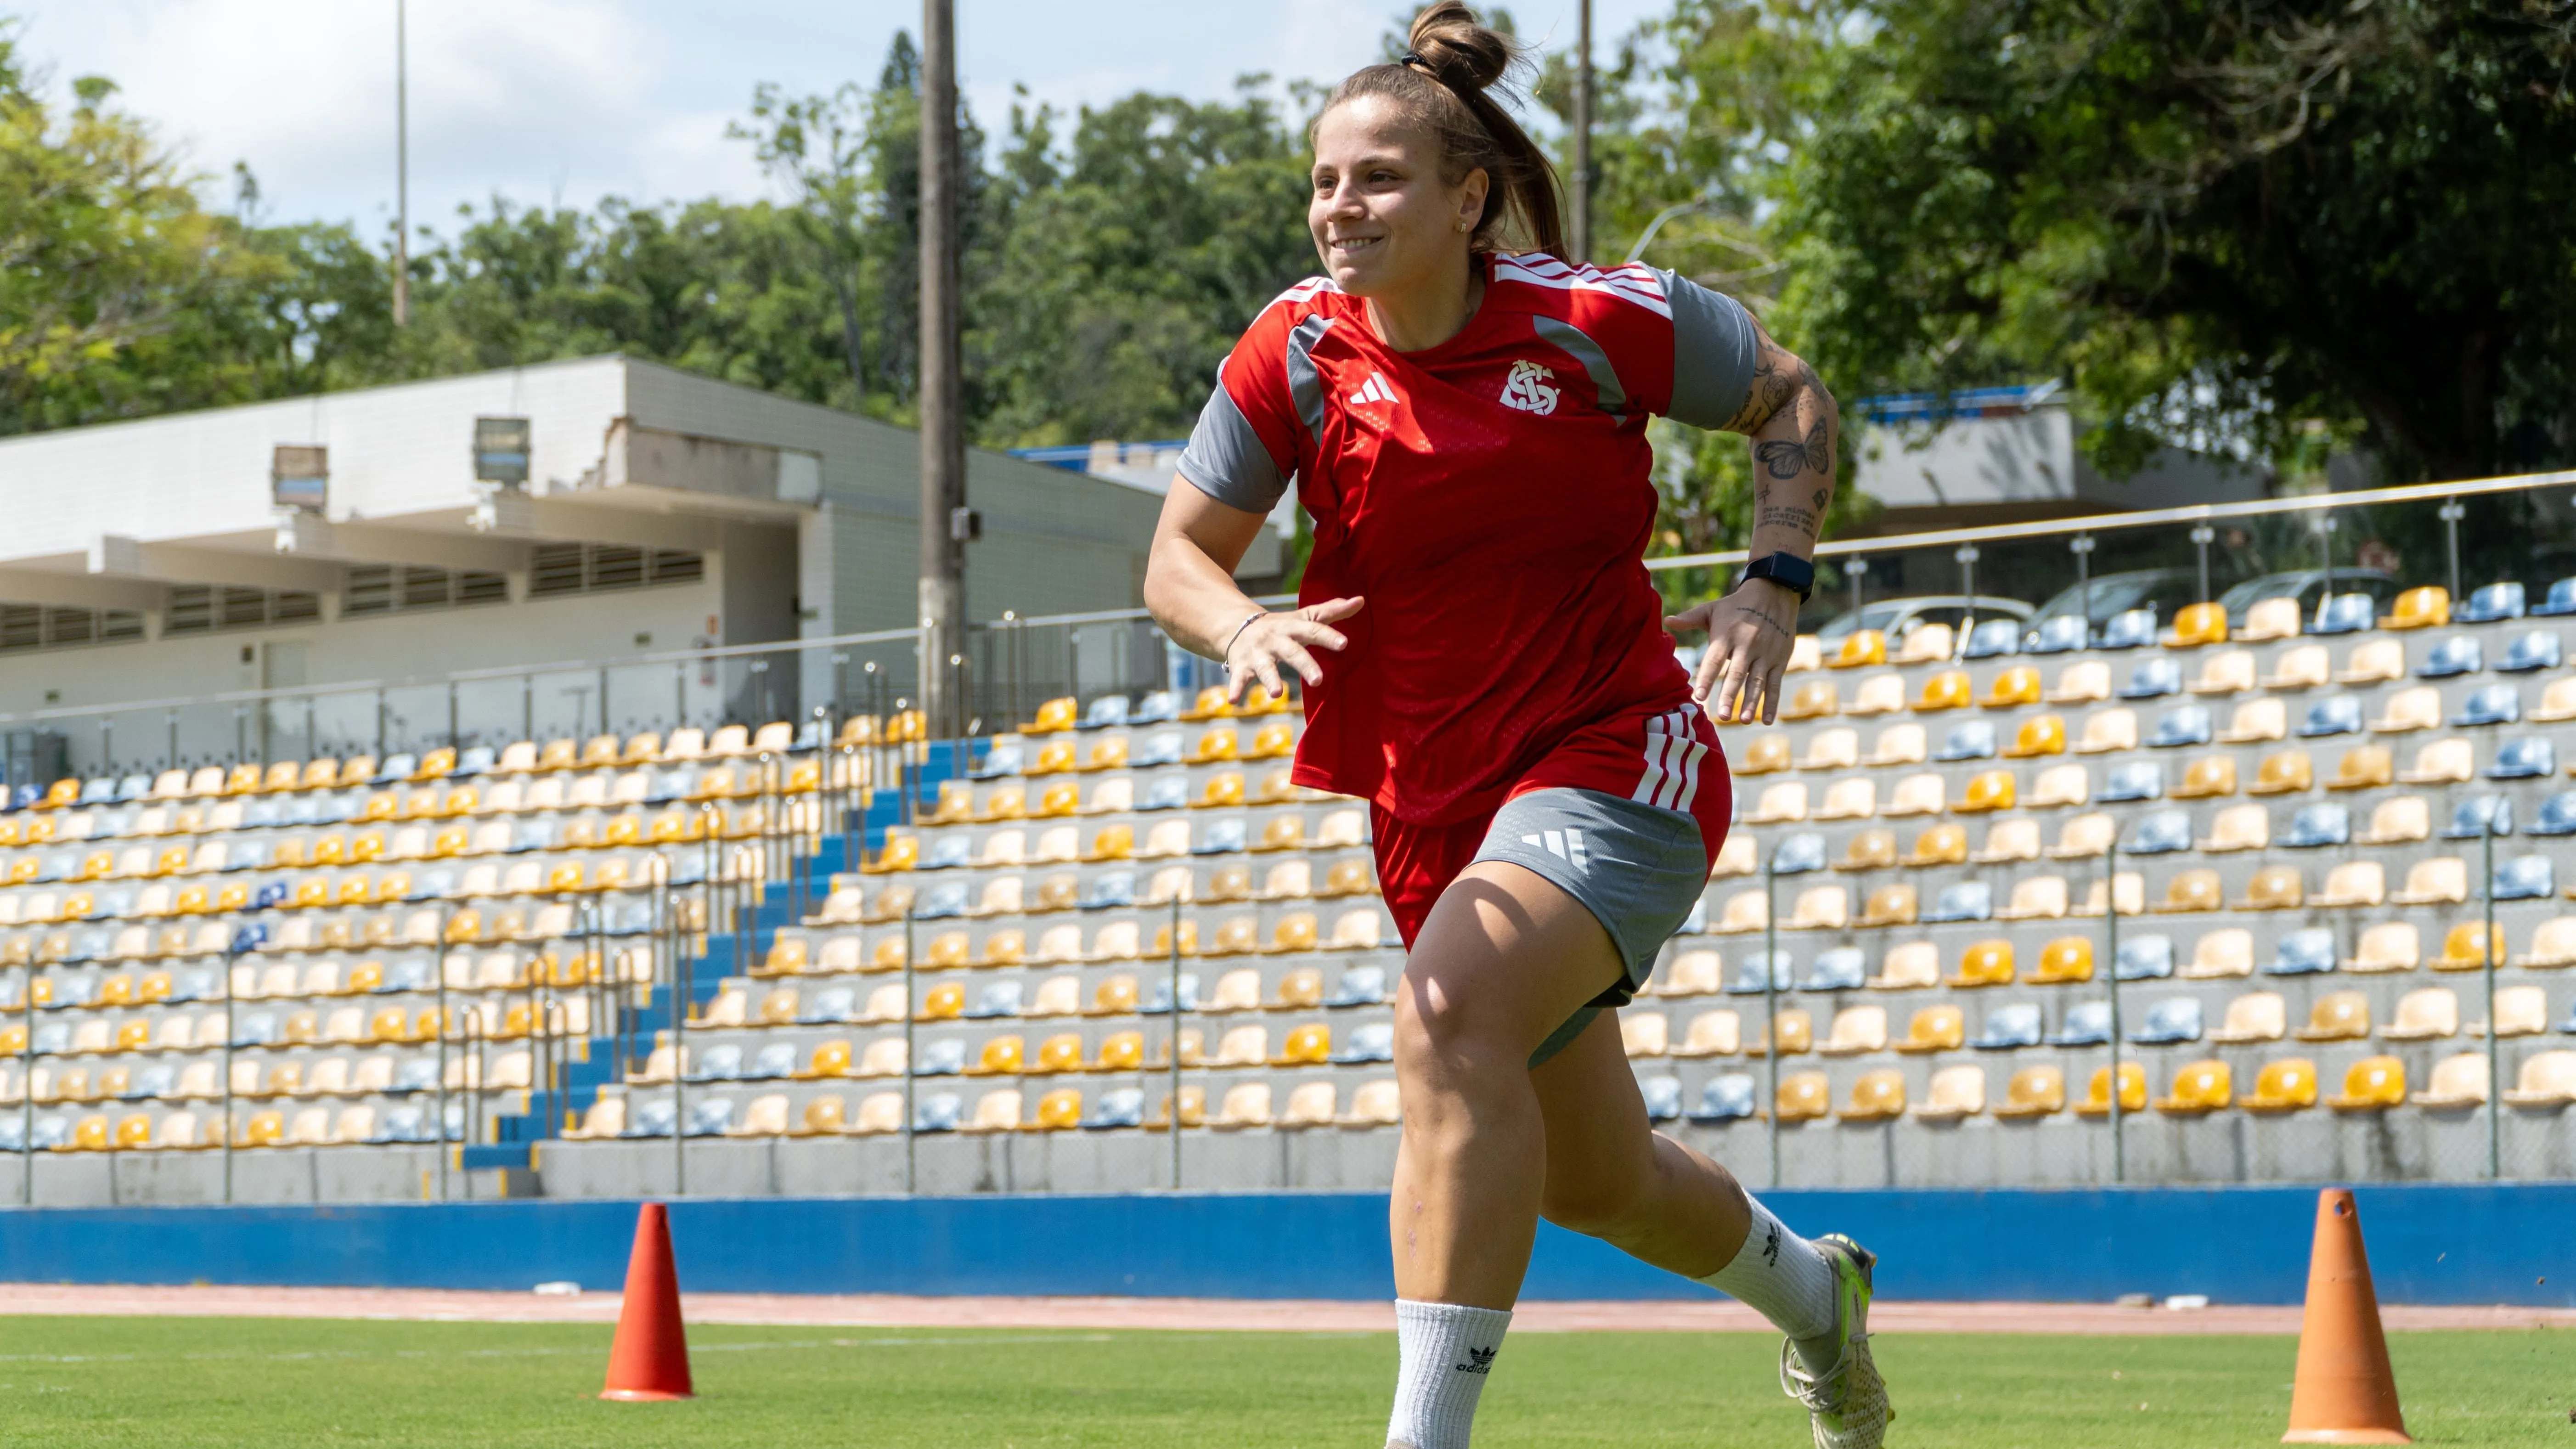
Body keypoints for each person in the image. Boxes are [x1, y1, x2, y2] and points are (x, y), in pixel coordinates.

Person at [1141, 6, 1887, 1446]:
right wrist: (1238, 624)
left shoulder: (1602, 318)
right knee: (1593, 1181)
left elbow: (1793, 394)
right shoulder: (1295, 352)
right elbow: (1180, 553)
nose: (1339, 209)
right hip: (1430, 809)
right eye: (1323, 182)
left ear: (1467, 197)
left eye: (1378, 179)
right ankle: (1816, 1298)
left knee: (1444, 1018)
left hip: (1618, 755)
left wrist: (1772, 580)